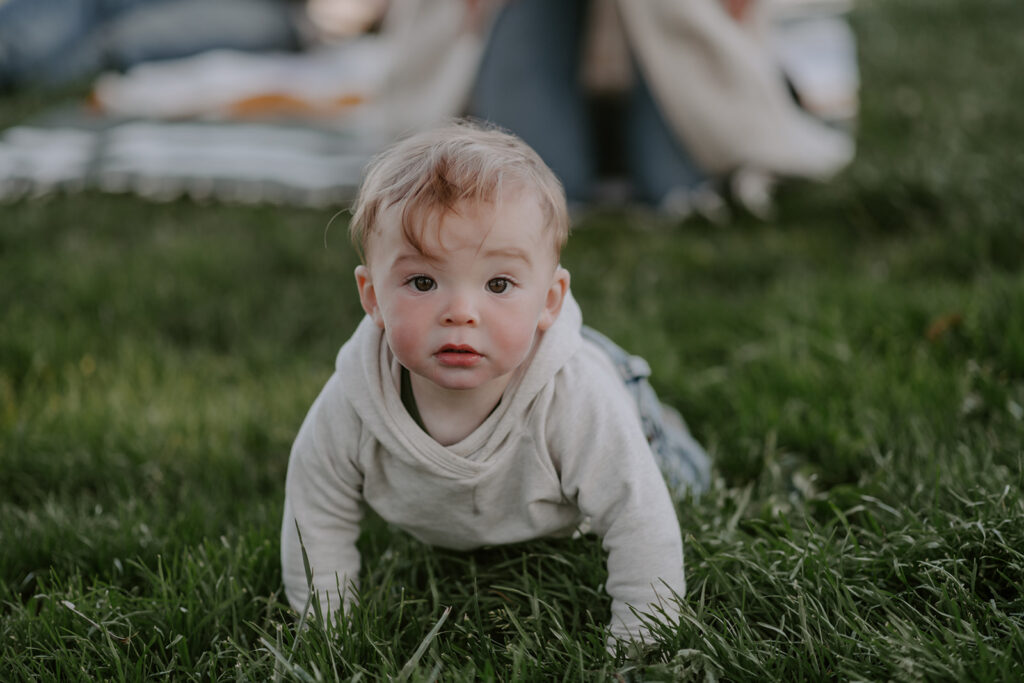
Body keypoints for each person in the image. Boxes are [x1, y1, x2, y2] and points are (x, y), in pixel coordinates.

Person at [280, 119, 710, 647]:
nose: (461, 312)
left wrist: (641, 643)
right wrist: (327, 629)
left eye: (498, 284)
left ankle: (659, 424)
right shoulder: (353, 399)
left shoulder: (576, 399)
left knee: (681, 483)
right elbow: (315, 509)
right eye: (422, 282)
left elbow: (638, 516)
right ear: (372, 297)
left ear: (549, 300)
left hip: (616, 419)